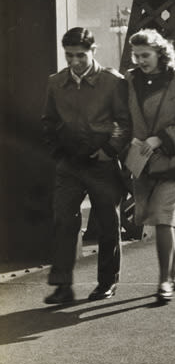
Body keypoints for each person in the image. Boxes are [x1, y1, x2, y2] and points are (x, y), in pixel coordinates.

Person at [42, 27, 130, 305]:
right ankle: (62, 286)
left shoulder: (112, 82)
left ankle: (107, 282)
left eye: (81, 55)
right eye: (69, 55)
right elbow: (48, 121)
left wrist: (108, 151)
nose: (75, 61)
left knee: (107, 223)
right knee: (63, 221)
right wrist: (58, 151)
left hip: (102, 164)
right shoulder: (56, 82)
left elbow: (124, 123)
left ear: (93, 51)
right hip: (69, 164)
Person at [126, 29, 175, 303]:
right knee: (159, 220)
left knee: (162, 217)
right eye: (136, 56)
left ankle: (164, 281)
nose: (140, 61)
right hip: (143, 163)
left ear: (160, 53)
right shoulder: (130, 79)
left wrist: (160, 139)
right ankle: (173, 273)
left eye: (145, 55)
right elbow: (123, 116)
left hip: (172, 161)